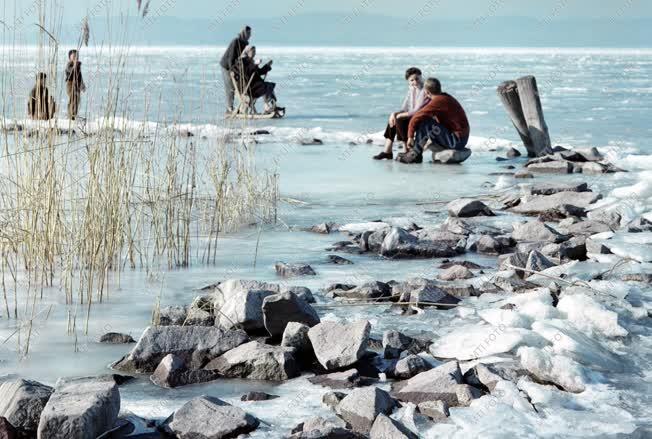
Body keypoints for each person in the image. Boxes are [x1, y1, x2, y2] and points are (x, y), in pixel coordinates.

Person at [399, 77, 470, 164]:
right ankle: (415, 153)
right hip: (460, 138)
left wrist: (410, 136)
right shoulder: (444, 97)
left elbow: (416, 117)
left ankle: (415, 155)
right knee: (427, 120)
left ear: (427, 92)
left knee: (425, 122)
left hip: (457, 140)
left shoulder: (438, 101)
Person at [373, 67, 429, 160]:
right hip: (413, 116)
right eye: (412, 80)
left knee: (400, 119)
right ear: (408, 81)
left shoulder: (425, 90)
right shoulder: (412, 90)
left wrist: (399, 115)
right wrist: (394, 114)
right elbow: (404, 108)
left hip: (423, 118)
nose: (415, 82)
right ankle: (387, 151)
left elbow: (417, 110)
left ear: (421, 77)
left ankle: (407, 150)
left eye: (417, 78)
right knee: (394, 118)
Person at [233, 45, 280, 114]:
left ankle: (270, 105)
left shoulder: (251, 61)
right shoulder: (241, 61)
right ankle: (268, 107)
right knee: (266, 86)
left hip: (254, 84)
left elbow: (259, 72)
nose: (254, 53)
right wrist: (254, 64)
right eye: (252, 51)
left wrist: (267, 66)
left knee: (269, 85)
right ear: (247, 52)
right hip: (247, 87)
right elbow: (246, 72)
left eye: (255, 51)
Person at [220, 25, 251, 114]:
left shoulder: (243, 42)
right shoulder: (236, 41)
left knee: (234, 86)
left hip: (231, 65)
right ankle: (229, 108)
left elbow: (237, 57)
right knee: (229, 86)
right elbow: (231, 57)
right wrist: (231, 70)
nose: (249, 35)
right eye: (248, 33)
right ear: (244, 33)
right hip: (226, 66)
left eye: (250, 34)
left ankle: (232, 107)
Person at [65, 49, 86, 120]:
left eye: (77, 56)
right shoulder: (69, 64)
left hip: (78, 84)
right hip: (70, 84)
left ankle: (74, 114)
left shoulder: (78, 65)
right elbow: (69, 70)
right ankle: (71, 115)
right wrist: (74, 67)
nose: (75, 58)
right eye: (73, 56)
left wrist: (82, 84)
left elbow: (80, 75)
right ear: (70, 57)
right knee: (73, 98)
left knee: (77, 99)